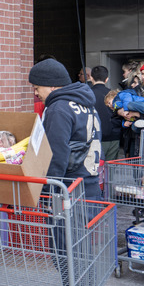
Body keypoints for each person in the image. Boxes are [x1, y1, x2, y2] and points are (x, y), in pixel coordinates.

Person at [29, 58, 102, 199]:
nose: (35, 93)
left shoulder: (58, 109)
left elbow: (55, 153)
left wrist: (48, 192)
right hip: (90, 183)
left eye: (37, 87)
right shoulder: (86, 103)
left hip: (70, 190)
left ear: (52, 86)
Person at [88, 66, 119, 161]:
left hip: (95, 137)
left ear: (91, 78)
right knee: (110, 169)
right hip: (114, 136)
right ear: (106, 79)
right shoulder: (114, 94)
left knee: (96, 168)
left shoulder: (88, 94)